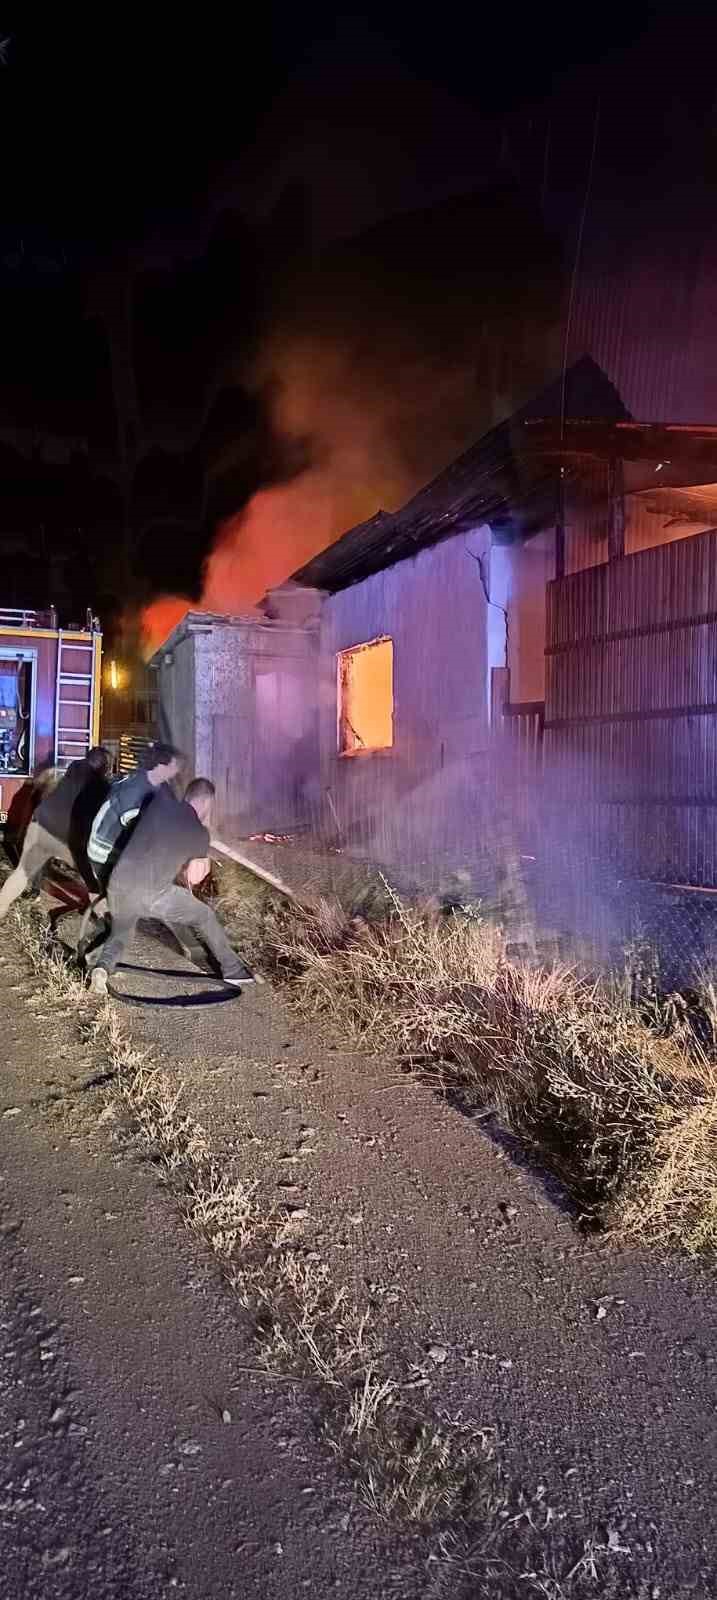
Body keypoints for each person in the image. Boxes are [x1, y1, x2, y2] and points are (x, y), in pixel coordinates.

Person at [86, 777, 253, 994]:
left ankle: (103, 968)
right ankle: (234, 970)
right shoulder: (198, 832)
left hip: (118, 884)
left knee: (121, 934)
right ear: (206, 804)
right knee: (204, 915)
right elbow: (193, 878)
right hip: (152, 893)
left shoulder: (158, 804)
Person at [0, 746, 111, 921]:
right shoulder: (100, 785)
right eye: (108, 766)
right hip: (66, 834)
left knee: (22, 873)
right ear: (103, 766)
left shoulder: (74, 768)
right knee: (90, 875)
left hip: (41, 826)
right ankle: (100, 916)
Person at [87, 742, 182, 884]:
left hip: (116, 847)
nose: (177, 770)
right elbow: (140, 834)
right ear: (161, 766)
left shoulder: (151, 782)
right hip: (104, 855)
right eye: (174, 766)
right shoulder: (136, 791)